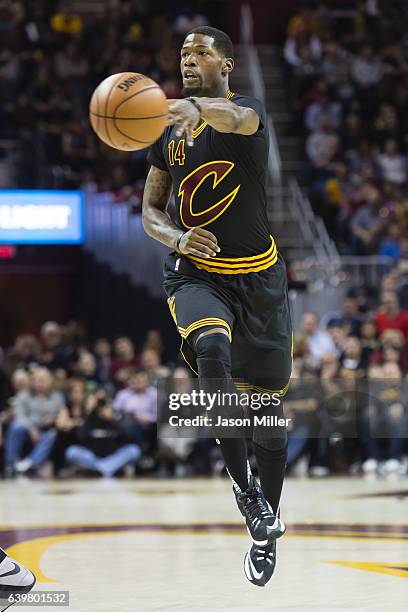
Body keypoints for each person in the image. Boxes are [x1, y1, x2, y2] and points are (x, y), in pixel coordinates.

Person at [142, 26, 291, 586]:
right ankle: (244, 490)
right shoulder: (166, 132)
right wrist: (176, 239)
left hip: (262, 281)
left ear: (225, 64)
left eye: (200, 51)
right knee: (210, 350)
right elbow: (151, 211)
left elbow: (234, 120)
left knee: (271, 423)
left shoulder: (245, 112)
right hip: (197, 275)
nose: (188, 57)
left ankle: (265, 524)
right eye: (182, 51)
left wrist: (193, 109)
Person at [4, 367, 65, 477]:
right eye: (38, 379)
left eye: (43, 380)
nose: (40, 383)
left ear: (50, 381)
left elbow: (61, 413)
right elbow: (20, 416)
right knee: (16, 426)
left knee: (52, 435)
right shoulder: (22, 396)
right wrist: (32, 429)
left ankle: (31, 464)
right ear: (32, 381)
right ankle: (10, 463)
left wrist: (55, 419)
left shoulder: (57, 397)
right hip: (26, 428)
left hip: (45, 430)